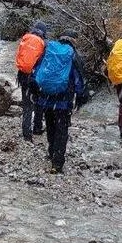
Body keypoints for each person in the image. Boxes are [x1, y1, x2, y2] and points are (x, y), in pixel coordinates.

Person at [30, 30, 90, 173]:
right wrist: (81, 96)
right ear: (73, 40)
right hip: (63, 100)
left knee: (50, 126)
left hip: (46, 98)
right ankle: (57, 163)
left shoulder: (49, 49)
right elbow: (78, 79)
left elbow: (37, 70)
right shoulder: (73, 55)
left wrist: (35, 91)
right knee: (62, 130)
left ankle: (52, 153)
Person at [15, 20, 48, 141]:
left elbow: (19, 56)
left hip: (22, 75)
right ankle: (36, 128)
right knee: (38, 102)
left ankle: (26, 130)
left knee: (27, 104)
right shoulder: (43, 43)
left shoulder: (25, 38)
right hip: (35, 77)